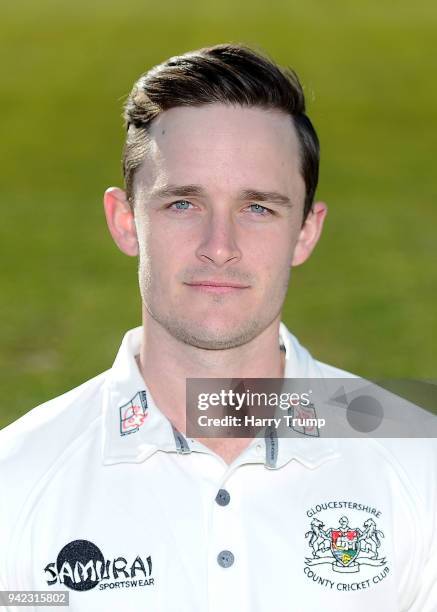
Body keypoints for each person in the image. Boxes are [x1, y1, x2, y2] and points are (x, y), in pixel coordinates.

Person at [0, 43, 435, 612]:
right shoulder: (17, 480)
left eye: (258, 208)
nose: (220, 247)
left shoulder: (419, 465)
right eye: (183, 203)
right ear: (125, 221)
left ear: (306, 231)